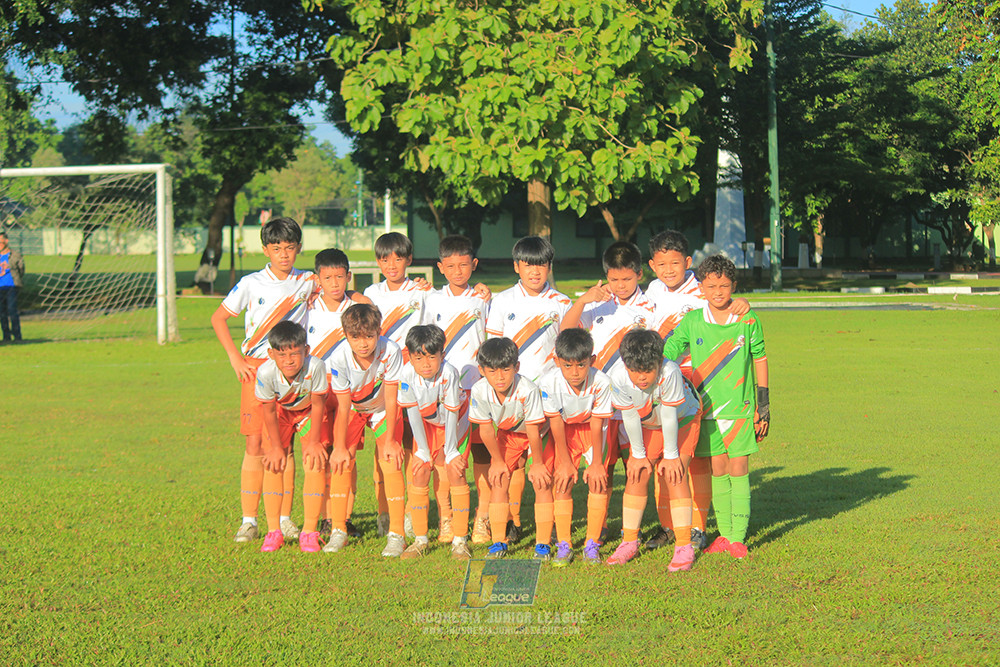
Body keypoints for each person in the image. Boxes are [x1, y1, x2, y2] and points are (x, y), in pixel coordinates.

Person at [210, 217, 315, 544]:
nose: (284, 254)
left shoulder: (308, 281)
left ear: (299, 248)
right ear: (266, 250)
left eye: (289, 248)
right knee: (255, 443)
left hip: (293, 371)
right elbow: (219, 317)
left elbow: (339, 286)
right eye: (276, 248)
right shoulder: (251, 283)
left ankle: (283, 519)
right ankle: (249, 520)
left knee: (285, 444)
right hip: (257, 369)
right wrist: (235, 358)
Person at [644, 230, 749, 551]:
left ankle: (697, 527)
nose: (669, 270)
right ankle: (668, 525)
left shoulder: (702, 287)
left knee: (696, 457)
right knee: (663, 455)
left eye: (675, 263)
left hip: (698, 382)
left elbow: (726, 302)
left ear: (687, 262)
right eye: (662, 264)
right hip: (661, 381)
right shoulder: (652, 289)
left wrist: (743, 303)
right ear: (652, 266)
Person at [662, 254, 769, 559]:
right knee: (718, 469)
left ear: (733, 285)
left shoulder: (747, 319)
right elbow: (669, 350)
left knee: (739, 468)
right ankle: (724, 534)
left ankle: (738, 538)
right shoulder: (693, 320)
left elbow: (760, 358)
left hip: (740, 409)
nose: (718, 292)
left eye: (724, 286)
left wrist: (763, 403)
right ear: (701, 288)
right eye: (711, 286)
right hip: (706, 410)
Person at [560, 241, 657, 545]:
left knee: (635, 464)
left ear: (639, 275)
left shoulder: (650, 307)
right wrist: (582, 301)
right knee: (603, 465)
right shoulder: (596, 304)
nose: (620, 285)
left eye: (627, 279)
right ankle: (599, 525)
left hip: (636, 400)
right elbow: (566, 332)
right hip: (601, 401)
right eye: (614, 279)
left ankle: (632, 528)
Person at [484, 236, 571, 544]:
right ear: (516, 267)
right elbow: (493, 348)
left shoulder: (562, 303)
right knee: (513, 463)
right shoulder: (502, 301)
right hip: (511, 394)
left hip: (548, 398)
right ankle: (512, 521)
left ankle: (553, 526)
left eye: (541, 265)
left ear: (549, 267)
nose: (535, 271)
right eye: (528, 265)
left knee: (546, 464)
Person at [606, 329, 701, 571]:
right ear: (625, 364)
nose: (641, 378)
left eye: (648, 370)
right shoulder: (617, 376)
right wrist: (638, 456)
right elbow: (629, 415)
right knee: (636, 474)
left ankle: (684, 545)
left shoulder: (670, 371)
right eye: (635, 371)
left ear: (660, 362)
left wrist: (671, 456)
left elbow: (669, 415)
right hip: (649, 422)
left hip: (683, 418)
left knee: (675, 474)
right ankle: (629, 542)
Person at [324, 303, 408, 557]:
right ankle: (338, 530)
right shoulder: (338, 357)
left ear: (379, 332)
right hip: (353, 409)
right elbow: (343, 406)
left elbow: (392, 398)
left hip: (383, 409)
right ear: (345, 335)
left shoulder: (390, 350)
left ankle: (396, 533)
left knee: (390, 460)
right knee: (342, 461)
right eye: (355, 337)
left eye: (369, 336)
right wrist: (339, 447)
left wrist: (391, 440)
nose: (363, 344)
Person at [424, 234, 492, 545]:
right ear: (440, 267)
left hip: (477, 390)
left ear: (474, 264)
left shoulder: (483, 299)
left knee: (481, 453)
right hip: (442, 392)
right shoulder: (431, 300)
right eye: (450, 266)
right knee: (444, 457)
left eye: (463, 265)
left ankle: (482, 518)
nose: (457, 271)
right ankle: (447, 517)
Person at [363, 232, 431, 536]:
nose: (392, 265)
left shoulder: (421, 291)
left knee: (412, 445)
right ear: (378, 262)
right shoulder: (370, 293)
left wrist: (482, 290)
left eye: (398, 258)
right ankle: (385, 512)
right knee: (384, 446)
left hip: (414, 380)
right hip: (381, 381)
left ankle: (411, 512)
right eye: (384, 259)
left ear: (409, 260)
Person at [306, 248, 371, 539]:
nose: (334, 283)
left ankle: (343, 517)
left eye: (340, 277)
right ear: (317, 279)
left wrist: (358, 296)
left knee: (347, 454)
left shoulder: (357, 308)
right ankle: (323, 517)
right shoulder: (307, 308)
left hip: (351, 392)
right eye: (328, 278)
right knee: (321, 454)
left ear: (348, 277)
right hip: (319, 392)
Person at [468, 337, 548, 560]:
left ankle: (543, 544)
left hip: (539, 434)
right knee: (499, 479)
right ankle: (498, 542)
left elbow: (533, 430)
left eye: (505, 369)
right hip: (508, 435)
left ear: (517, 367)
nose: (500, 377)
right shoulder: (479, 390)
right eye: (492, 371)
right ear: (481, 371)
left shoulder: (528, 390)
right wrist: (497, 461)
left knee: (541, 481)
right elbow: (485, 429)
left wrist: (537, 463)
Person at [398, 324, 473, 560]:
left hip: (456, 423)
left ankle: (460, 541)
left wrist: (450, 450)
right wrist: (422, 450)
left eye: (432, 357)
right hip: (428, 424)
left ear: (442, 354)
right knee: (419, 470)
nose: (426, 364)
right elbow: (412, 413)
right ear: (410, 356)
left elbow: (452, 412)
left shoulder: (449, 373)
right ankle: (420, 540)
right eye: (419, 358)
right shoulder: (406, 375)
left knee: (455, 470)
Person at [538, 328, 613, 566]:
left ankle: (592, 544)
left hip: (593, 430)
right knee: (563, 481)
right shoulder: (548, 382)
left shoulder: (601, 382)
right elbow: (555, 421)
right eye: (567, 366)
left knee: (598, 482)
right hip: (564, 432)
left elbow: (598, 422)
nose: (575, 372)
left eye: (581, 365)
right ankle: (564, 544)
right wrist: (565, 462)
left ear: (592, 360)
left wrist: (597, 463)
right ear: (557, 361)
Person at [253, 321, 328, 553]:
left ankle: (309, 532)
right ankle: (274, 532)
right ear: (271, 354)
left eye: (295, 353)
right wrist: (276, 447)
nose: (289, 360)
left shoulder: (316, 366)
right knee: (274, 464)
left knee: (315, 462)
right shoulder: (265, 372)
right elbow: (268, 410)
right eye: (282, 355)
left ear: (306, 350)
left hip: (308, 413)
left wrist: (314, 442)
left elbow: (319, 404)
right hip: (281, 414)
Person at [0, 231, 24, 343]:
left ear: (6, 241)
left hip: (11, 287)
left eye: (1, 242)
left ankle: (17, 336)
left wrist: (17, 280)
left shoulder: (15, 255)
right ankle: (6, 336)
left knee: (12, 311)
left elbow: (21, 269)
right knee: (2, 313)